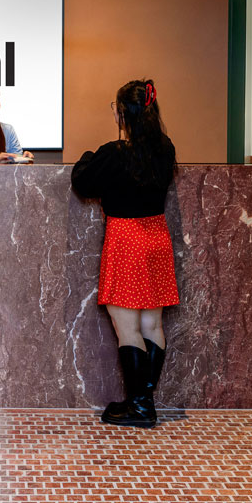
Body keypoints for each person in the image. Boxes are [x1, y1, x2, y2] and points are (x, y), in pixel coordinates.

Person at [71, 79, 177, 428]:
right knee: (152, 324)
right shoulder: (165, 149)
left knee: (126, 326)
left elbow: (83, 182)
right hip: (157, 237)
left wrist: (88, 156)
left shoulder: (115, 153)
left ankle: (140, 406)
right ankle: (143, 402)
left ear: (122, 112)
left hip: (127, 240)